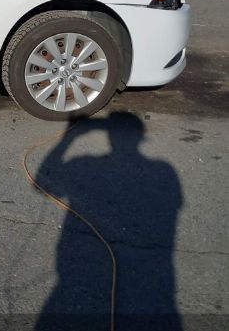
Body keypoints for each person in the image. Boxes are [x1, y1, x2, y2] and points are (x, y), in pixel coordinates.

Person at [35, 113, 182, 331]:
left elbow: (42, 183)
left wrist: (68, 138)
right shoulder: (164, 170)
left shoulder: (83, 164)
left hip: (69, 273)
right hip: (162, 278)